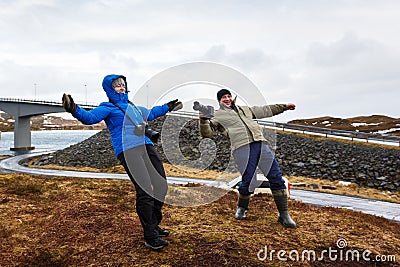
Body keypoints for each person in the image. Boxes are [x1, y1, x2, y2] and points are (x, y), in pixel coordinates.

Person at [62, 74, 182, 250]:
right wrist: (73, 108)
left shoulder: (133, 107)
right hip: (128, 150)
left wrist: (169, 107)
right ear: (110, 89)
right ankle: (150, 235)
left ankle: (154, 224)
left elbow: (152, 113)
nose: (121, 87)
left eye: (123, 84)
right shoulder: (108, 107)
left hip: (146, 146)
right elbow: (89, 118)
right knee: (145, 190)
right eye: (117, 85)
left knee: (161, 185)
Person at [198, 88, 296, 228]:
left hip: (261, 145)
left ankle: (284, 215)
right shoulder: (218, 115)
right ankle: (242, 208)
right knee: (249, 180)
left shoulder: (246, 110)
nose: (227, 98)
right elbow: (207, 134)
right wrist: (202, 120)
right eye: (223, 97)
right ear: (219, 101)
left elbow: (265, 110)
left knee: (275, 176)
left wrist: (284, 107)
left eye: (228, 96)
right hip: (241, 148)